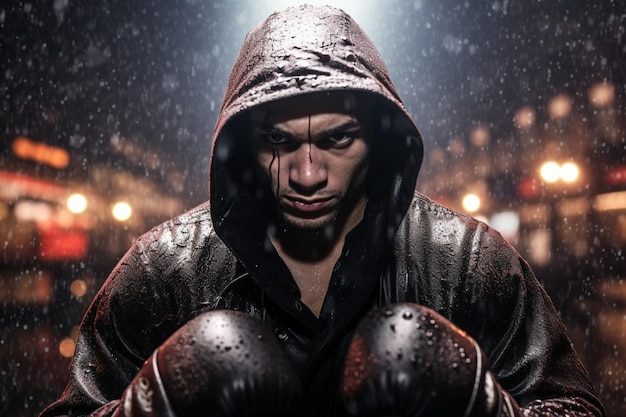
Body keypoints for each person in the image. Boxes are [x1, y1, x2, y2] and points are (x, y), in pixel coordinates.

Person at [41, 4, 605, 417]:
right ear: (243, 146)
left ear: (381, 144)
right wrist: (146, 409)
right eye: (279, 143)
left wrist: (486, 409)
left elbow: (575, 409)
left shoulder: (466, 262)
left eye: (337, 141)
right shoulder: (165, 271)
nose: (307, 174)